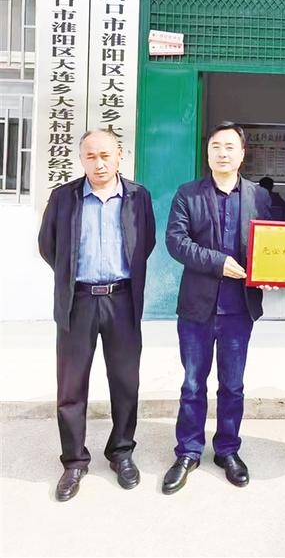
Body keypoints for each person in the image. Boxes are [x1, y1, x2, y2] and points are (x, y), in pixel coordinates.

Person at [38, 129, 156, 502]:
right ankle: (74, 461)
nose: (99, 163)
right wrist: (72, 277)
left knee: (125, 382)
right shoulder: (64, 197)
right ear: (81, 159)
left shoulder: (138, 197)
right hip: (78, 301)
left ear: (120, 155)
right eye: (91, 156)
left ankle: (121, 452)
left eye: (106, 155)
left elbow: (145, 242)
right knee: (71, 387)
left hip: (122, 300)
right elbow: (48, 246)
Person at [162, 121, 271, 494]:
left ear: (242, 154)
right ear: (207, 152)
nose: (222, 153)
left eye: (229, 147)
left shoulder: (260, 197)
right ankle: (188, 451)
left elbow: (273, 243)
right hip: (197, 307)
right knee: (193, 384)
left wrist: (273, 272)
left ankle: (227, 449)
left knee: (233, 385)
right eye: (215, 147)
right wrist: (217, 262)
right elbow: (176, 241)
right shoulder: (188, 194)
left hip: (239, 308)